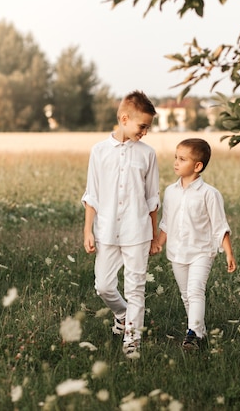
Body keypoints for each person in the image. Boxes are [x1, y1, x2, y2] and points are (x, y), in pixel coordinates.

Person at [82, 90, 161, 357]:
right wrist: (87, 230)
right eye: (142, 126)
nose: (145, 132)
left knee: (135, 287)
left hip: (137, 230)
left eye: (148, 127)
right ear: (124, 118)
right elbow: (91, 194)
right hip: (106, 230)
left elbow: (152, 199)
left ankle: (132, 341)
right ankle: (122, 313)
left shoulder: (147, 154)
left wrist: (153, 235)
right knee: (103, 285)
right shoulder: (99, 151)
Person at [154, 138, 236, 350]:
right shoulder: (170, 192)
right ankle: (199, 330)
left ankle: (192, 336)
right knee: (185, 295)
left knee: (195, 291)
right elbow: (166, 222)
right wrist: (158, 244)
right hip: (177, 251)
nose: (176, 163)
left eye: (182, 159)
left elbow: (220, 225)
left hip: (202, 251)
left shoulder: (209, 194)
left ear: (197, 166)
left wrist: (228, 253)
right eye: (175, 158)